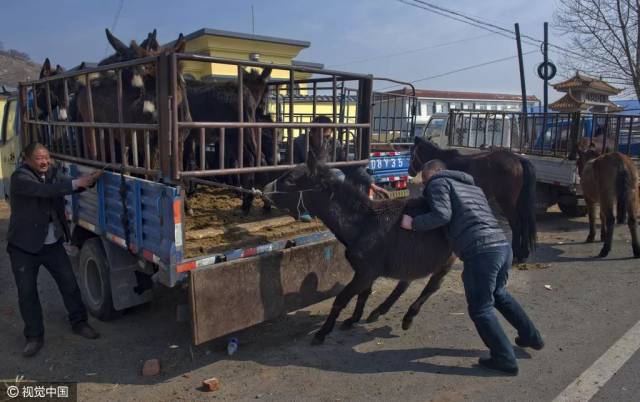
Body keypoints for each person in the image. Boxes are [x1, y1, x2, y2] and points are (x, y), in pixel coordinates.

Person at [400, 159, 544, 375]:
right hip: (502, 246)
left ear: (435, 173)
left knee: (480, 308)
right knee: (499, 294)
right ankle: (531, 336)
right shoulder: (471, 186)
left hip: (481, 251)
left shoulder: (439, 183)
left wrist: (413, 224)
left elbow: (442, 215)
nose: (424, 185)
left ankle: (504, 358)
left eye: (424, 179)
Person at [7, 143, 103, 357]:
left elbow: (64, 184)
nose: (45, 162)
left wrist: (87, 181)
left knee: (69, 284)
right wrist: (77, 182)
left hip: (52, 245)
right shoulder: (20, 177)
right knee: (27, 293)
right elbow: (45, 191)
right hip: (24, 247)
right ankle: (34, 337)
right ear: (27, 159)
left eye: (47, 157)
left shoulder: (51, 172)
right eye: (39, 158)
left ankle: (79, 323)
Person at [293, 115, 388, 221]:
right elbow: (293, 171)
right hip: (307, 184)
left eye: (328, 137)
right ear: (312, 133)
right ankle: (304, 207)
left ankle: (334, 207)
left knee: (337, 174)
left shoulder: (334, 144)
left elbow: (349, 166)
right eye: (322, 136)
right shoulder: (299, 144)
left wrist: (371, 183)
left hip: (325, 183)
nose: (325, 140)